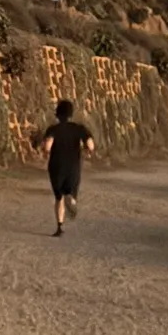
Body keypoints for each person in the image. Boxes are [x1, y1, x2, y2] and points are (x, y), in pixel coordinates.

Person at [41, 99, 95, 236]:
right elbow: (90, 144)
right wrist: (87, 151)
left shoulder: (53, 129)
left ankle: (59, 227)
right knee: (70, 191)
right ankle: (71, 198)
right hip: (73, 166)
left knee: (58, 197)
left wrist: (45, 152)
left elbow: (48, 145)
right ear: (71, 114)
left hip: (56, 166)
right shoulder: (79, 128)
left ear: (57, 114)